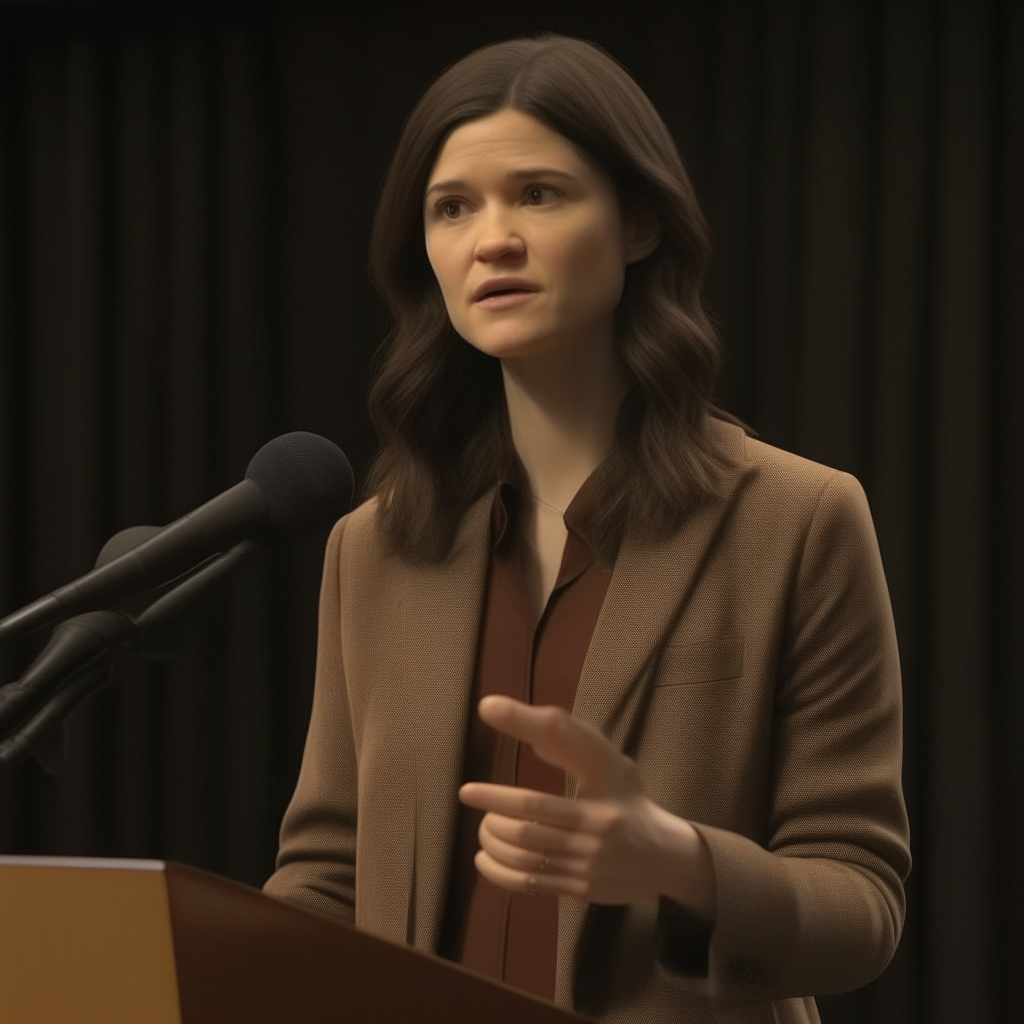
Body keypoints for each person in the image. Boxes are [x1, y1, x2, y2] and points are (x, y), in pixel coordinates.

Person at [263, 34, 911, 1024]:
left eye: (539, 194)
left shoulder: (799, 518)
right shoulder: (373, 549)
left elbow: (862, 903)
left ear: (640, 221)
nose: (492, 240)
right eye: (453, 207)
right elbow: (323, 876)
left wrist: (677, 860)